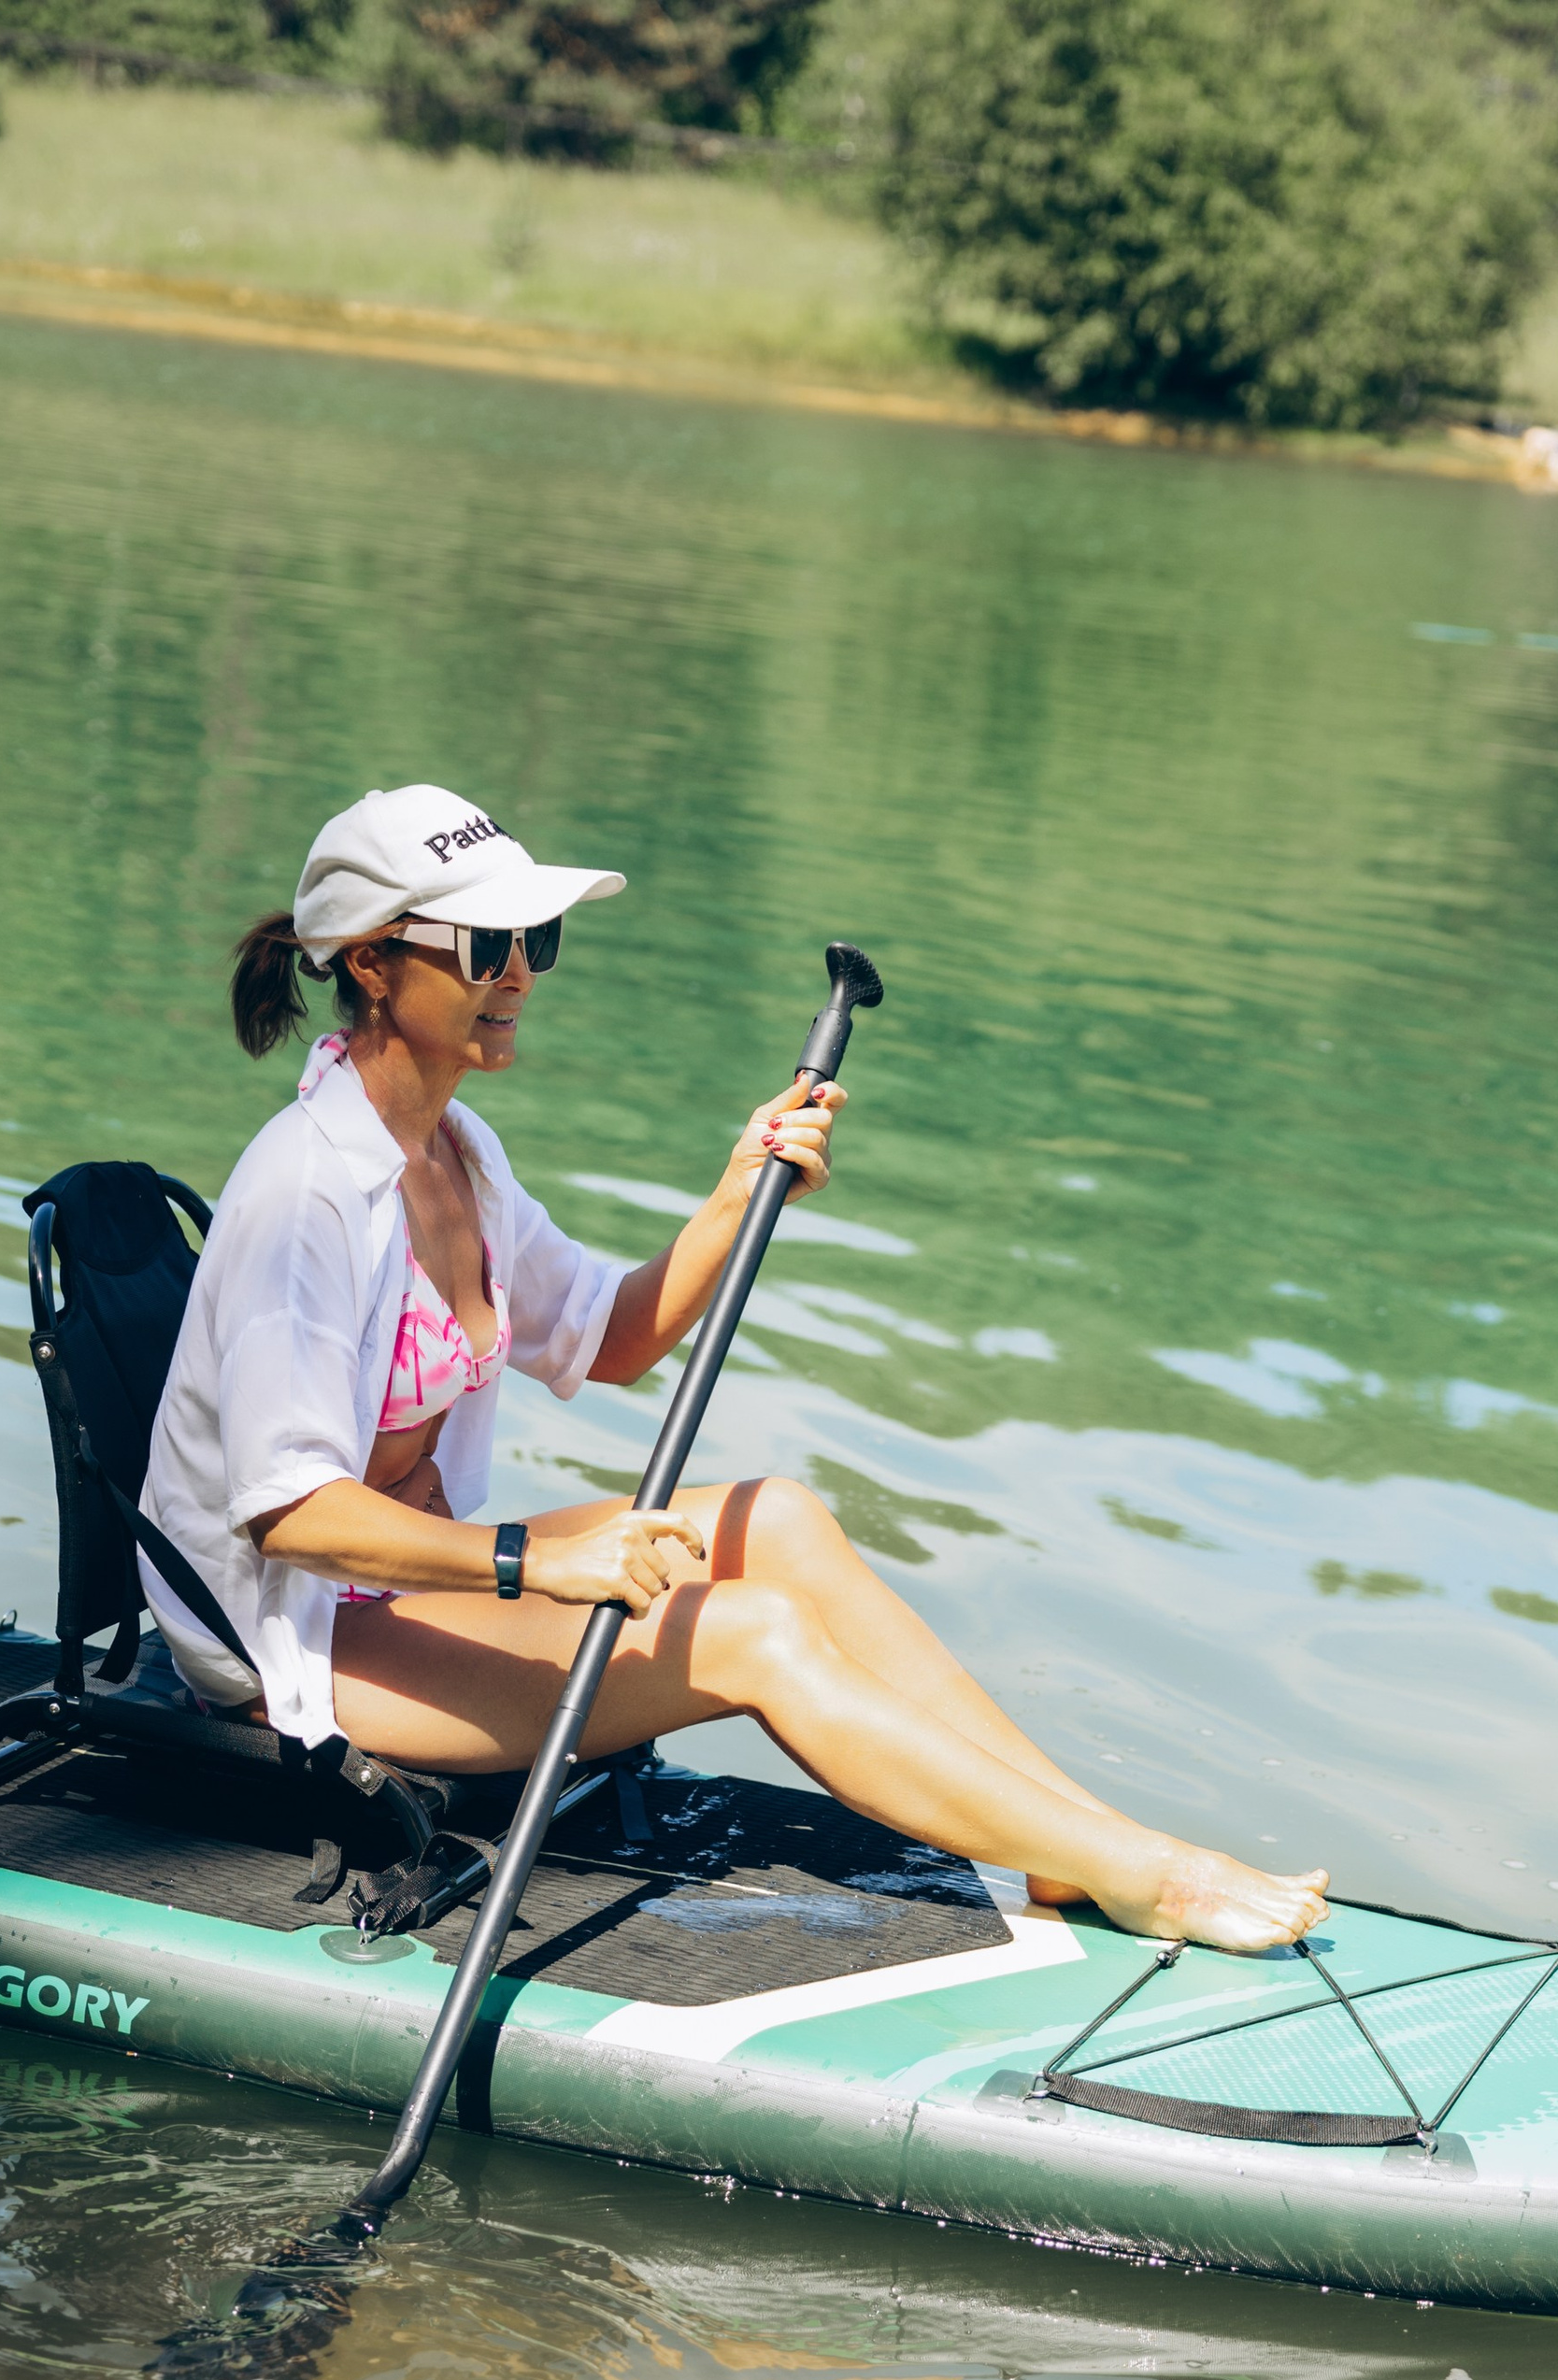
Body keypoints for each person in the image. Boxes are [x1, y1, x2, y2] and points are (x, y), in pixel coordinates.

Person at [138, 783, 1329, 1956]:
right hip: (300, 1644)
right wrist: (540, 1564)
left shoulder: (457, 1149)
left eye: (536, 940)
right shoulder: (305, 1192)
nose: (522, 974)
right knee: (748, 1634)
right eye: (490, 944)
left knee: (781, 1522)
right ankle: (1155, 1881)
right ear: (372, 964)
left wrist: (738, 1185)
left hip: (410, 1594)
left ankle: (1077, 1850)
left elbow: (607, 1336)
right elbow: (289, 1514)